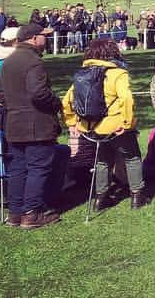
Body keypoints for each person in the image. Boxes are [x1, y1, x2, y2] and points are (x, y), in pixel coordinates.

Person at [61, 37, 149, 211]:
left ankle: (100, 199)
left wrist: (72, 122)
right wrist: (127, 123)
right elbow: (127, 99)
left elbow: (67, 101)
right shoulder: (118, 73)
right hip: (117, 126)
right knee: (132, 158)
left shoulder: (82, 74)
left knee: (102, 160)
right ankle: (137, 197)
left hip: (93, 128)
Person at [0, 22, 67, 229]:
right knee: (38, 168)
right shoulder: (33, 62)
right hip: (36, 124)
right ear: (34, 38)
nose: (46, 39)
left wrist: (17, 107)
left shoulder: (7, 61)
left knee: (18, 168)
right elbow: (39, 93)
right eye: (43, 36)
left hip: (14, 124)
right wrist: (56, 103)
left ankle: (15, 213)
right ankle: (32, 213)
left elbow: (0, 94)